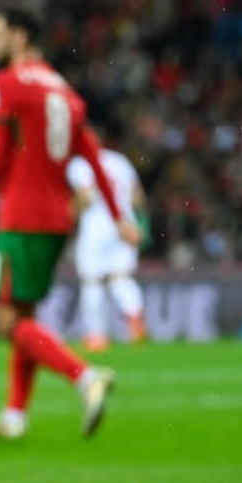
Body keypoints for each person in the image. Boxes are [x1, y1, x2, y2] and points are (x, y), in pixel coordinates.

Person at [0, 7, 141, 440]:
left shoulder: (5, 85)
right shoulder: (63, 90)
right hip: (57, 219)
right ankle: (15, 415)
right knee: (25, 313)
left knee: (5, 321)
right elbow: (91, 155)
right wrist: (120, 216)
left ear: (19, 36)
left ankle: (86, 377)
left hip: (20, 215)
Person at [67, 143, 147, 352]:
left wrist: (70, 215)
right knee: (120, 277)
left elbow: (86, 197)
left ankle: (96, 335)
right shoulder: (119, 160)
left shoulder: (80, 163)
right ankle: (134, 319)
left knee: (92, 281)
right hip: (124, 225)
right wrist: (139, 224)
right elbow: (137, 197)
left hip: (95, 228)